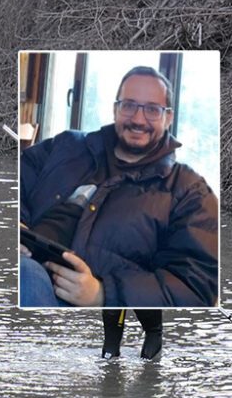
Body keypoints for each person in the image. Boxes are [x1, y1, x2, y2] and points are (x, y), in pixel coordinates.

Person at [20, 66, 219, 357]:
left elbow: (198, 286)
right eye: (129, 106)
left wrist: (101, 294)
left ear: (169, 116)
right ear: (115, 109)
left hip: (87, 294)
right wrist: (19, 224)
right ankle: (110, 360)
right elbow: (16, 178)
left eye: (152, 109)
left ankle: (145, 350)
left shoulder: (190, 192)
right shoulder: (66, 146)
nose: (138, 119)